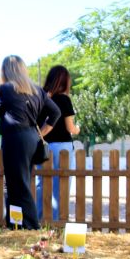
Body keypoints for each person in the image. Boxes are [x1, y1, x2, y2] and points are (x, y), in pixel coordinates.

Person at [0, 55, 61, 230]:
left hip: (15, 138)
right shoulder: (36, 90)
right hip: (31, 138)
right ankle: (15, 224)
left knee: (18, 184)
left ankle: (31, 226)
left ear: (5, 71)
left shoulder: (5, 89)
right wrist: (40, 133)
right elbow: (56, 113)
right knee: (17, 183)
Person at [37, 65, 80, 222]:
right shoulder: (64, 99)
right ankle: (57, 221)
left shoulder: (43, 99)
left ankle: (37, 219)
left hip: (45, 147)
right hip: (63, 147)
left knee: (40, 183)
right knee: (61, 185)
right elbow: (70, 127)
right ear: (65, 82)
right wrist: (77, 129)